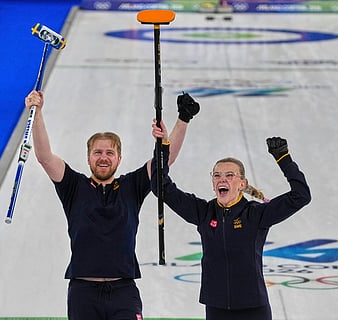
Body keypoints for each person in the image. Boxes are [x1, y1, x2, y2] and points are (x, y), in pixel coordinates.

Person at [24, 90, 200, 320]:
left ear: (119, 158)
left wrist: (182, 120)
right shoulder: (73, 185)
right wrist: (36, 113)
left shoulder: (132, 186)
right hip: (83, 292)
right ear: (88, 157)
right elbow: (45, 157)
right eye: (97, 152)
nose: (103, 157)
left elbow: (164, 161)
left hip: (123, 292)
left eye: (110, 152)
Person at [151, 121, 311, 320]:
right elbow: (161, 187)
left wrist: (284, 159)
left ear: (242, 184)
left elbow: (301, 196)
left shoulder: (256, 214)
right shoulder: (204, 212)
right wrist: (162, 146)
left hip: (254, 308)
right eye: (217, 175)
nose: (222, 179)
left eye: (229, 175)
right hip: (217, 308)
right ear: (212, 183)